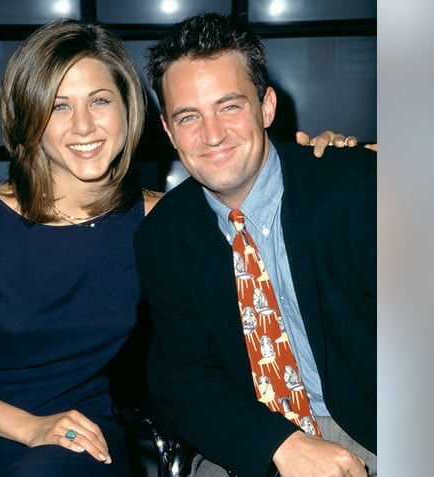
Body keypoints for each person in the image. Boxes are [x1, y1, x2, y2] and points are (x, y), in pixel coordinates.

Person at [0, 18, 357, 477]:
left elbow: (254, 194)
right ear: (30, 118)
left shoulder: (160, 221)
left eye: (99, 100)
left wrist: (325, 157)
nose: (83, 125)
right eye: (59, 106)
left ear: (129, 109)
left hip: (80, 438)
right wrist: (28, 427)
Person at [134, 13, 376, 477]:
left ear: (266, 107)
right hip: (253, 436)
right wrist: (280, 443)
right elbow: (184, 377)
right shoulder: (163, 236)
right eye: (189, 117)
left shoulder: (356, 187)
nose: (212, 135)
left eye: (229, 106)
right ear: (167, 130)